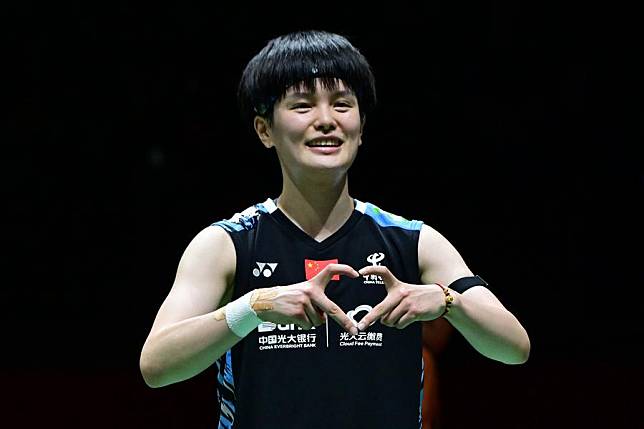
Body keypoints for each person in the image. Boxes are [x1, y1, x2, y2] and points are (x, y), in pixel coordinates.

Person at [139, 30, 530, 429]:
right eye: (303, 106)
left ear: (361, 128)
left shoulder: (413, 241)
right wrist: (253, 308)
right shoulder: (227, 244)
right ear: (264, 130)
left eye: (343, 104)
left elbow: (514, 347)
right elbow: (157, 365)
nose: (326, 120)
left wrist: (450, 301)